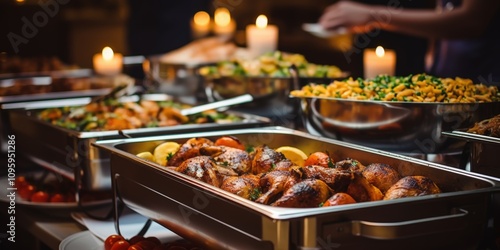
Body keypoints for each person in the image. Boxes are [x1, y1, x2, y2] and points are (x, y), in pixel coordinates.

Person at [318, 0, 500, 85]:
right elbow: (444, 11)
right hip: (443, 85)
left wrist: (373, 16)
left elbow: (472, 21)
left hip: (485, 87)